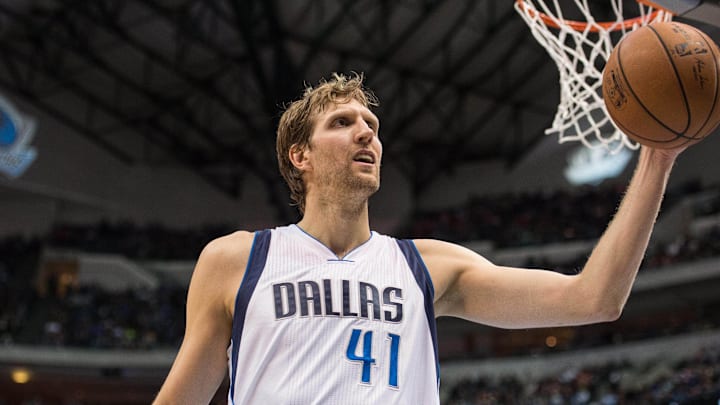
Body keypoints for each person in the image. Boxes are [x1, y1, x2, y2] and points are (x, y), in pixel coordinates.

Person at [153, 73, 686, 404]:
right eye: (343, 122)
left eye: (372, 125)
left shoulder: (427, 266)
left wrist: (658, 158)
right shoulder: (237, 259)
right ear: (301, 156)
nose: (367, 133)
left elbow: (595, 299)